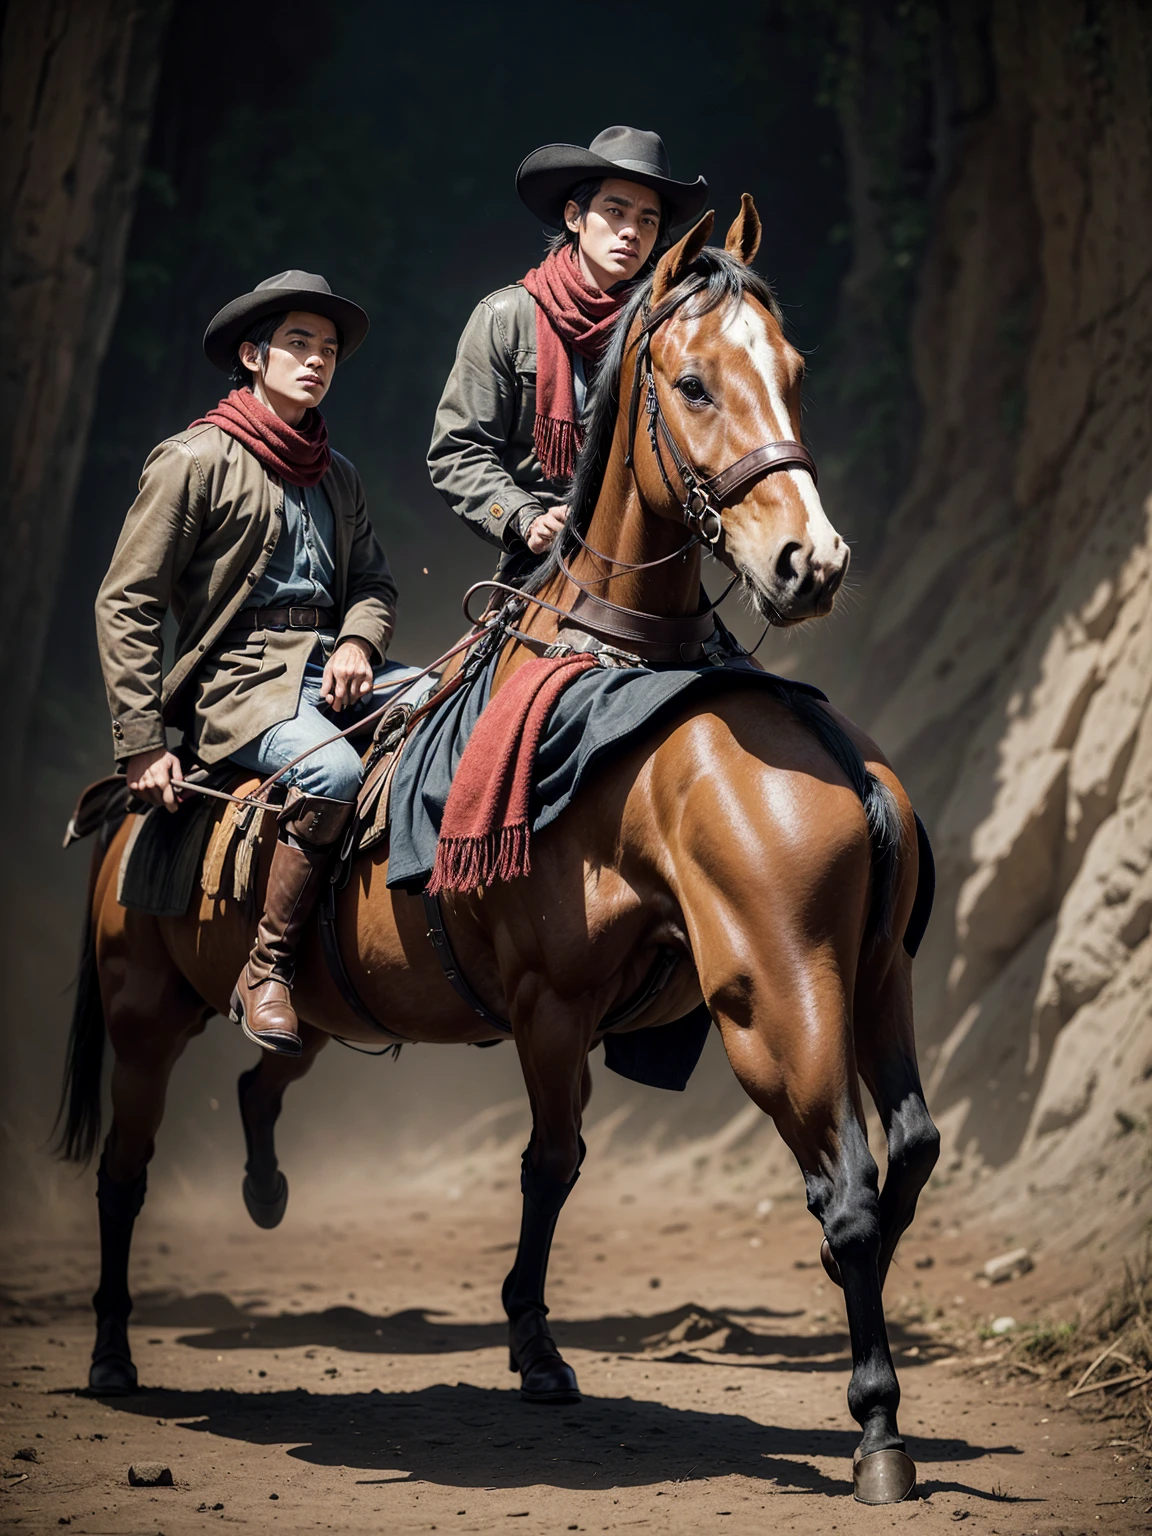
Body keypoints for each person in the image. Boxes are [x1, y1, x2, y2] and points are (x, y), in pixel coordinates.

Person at [96, 270, 412, 1057]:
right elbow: (126, 603)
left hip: (330, 669)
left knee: (448, 701)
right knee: (334, 775)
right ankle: (265, 969)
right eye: (297, 345)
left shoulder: (338, 476)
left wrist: (358, 643)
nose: (316, 361)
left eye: (328, 350)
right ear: (252, 355)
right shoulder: (192, 460)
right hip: (238, 685)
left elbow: (372, 583)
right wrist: (141, 742)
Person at [428, 126, 707, 579]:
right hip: (540, 561)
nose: (631, 232)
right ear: (575, 216)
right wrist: (525, 517)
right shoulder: (505, 317)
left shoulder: (668, 330)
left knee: (724, 653)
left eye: (648, 221)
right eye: (615, 211)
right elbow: (457, 450)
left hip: (645, 565)